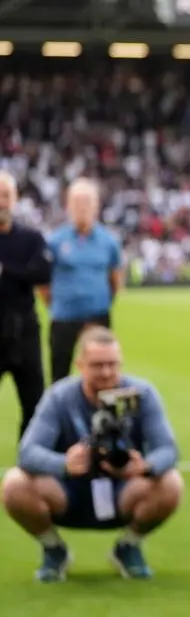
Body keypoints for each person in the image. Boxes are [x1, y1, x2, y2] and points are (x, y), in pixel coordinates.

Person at [1, 327, 183, 582]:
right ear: (80, 365)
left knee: (171, 482)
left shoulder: (142, 394)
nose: (107, 372)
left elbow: (169, 449)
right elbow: (27, 452)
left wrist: (144, 467)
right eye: (97, 365)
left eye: (112, 364)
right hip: (68, 492)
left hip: (125, 491)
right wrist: (64, 463)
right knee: (14, 483)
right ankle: (53, 549)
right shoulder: (60, 396)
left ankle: (128, 546)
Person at [45, 179, 124, 382]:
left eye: (87, 202)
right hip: (64, 316)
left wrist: (104, 300)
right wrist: (55, 303)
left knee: (103, 371)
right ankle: (60, 413)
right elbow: (44, 282)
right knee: (59, 373)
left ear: (96, 206)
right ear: (68, 206)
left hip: (97, 316)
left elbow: (115, 278)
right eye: (77, 202)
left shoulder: (108, 241)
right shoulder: (55, 241)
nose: (82, 207)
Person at [0, 172, 53, 442]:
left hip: (24, 332)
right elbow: (31, 273)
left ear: (15, 199)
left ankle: (32, 464)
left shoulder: (31, 238)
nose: (1, 202)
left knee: (34, 404)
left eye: (6, 195)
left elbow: (42, 273)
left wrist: (5, 272)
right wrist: (21, 273)